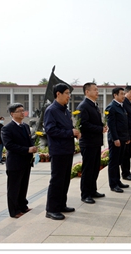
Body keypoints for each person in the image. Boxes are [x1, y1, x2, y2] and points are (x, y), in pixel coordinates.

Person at [44, 83, 80, 220]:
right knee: (57, 180)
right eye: (66, 93)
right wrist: (70, 132)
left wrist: (74, 133)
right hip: (58, 150)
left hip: (67, 149)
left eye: (69, 93)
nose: (69, 96)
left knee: (65, 180)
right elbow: (50, 130)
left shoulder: (66, 111)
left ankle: (61, 204)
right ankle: (51, 209)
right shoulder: (51, 110)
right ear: (58, 94)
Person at [1, 103, 36, 218]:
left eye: (23, 110)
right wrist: (27, 149)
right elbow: (9, 145)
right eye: (19, 111)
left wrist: (33, 147)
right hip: (15, 163)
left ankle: (23, 206)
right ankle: (14, 211)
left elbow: (29, 140)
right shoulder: (7, 128)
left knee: (23, 186)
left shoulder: (25, 126)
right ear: (12, 114)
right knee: (14, 188)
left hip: (26, 161)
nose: (22, 113)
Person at [77, 82, 106, 204]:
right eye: (95, 90)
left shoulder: (94, 105)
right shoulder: (83, 106)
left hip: (95, 142)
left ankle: (93, 190)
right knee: (88, 169)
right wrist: (99, 129)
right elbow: (83, 125)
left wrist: (102, 126)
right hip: (88, 142)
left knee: (95, 168)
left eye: (97, 90)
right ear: (87, 92)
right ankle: (85, 194)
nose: (97, 92)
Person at [105, 87, 130, 193]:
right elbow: (111, 125)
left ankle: (118, 181)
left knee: (119, 161)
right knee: (114, 162)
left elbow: (124, 124)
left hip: (122, 138)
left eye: (124, 94)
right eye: (121, 94)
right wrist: (115, 139)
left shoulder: (121, 106)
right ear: (115, 95)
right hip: (116, 139)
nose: (123, 96)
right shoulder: (111, 107)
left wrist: (126, 137)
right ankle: (113, 184)